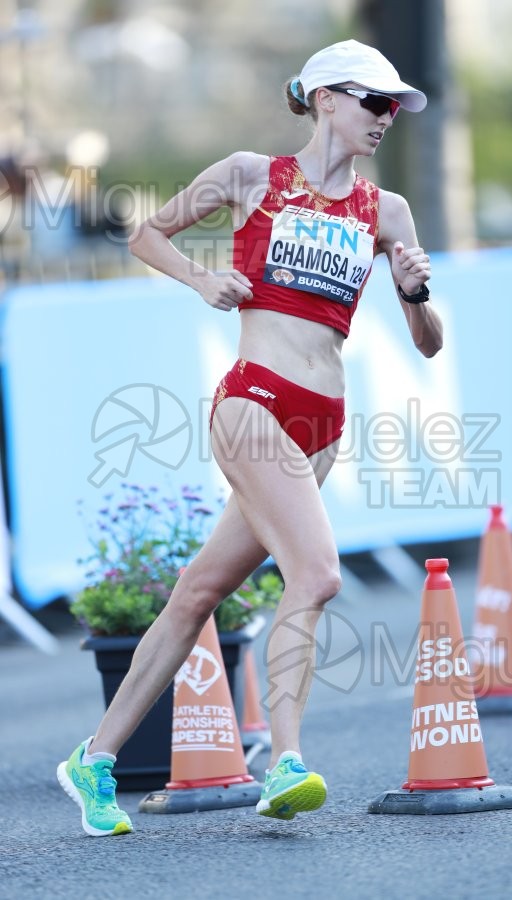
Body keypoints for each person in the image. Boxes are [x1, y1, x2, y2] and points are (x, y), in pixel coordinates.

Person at [57, 38, 443, 836]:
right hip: (253, 400)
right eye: (374, 102)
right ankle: (288, 763)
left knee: (200, 593)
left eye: (393, 108)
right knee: (320, 573)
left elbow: (430, 344)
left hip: (323, 423)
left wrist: (415, 295)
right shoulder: (249, 174)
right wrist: (205, 280)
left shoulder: (388, 210)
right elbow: (147, 233)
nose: (384, 119)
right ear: (326, 98)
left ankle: (92, 760)